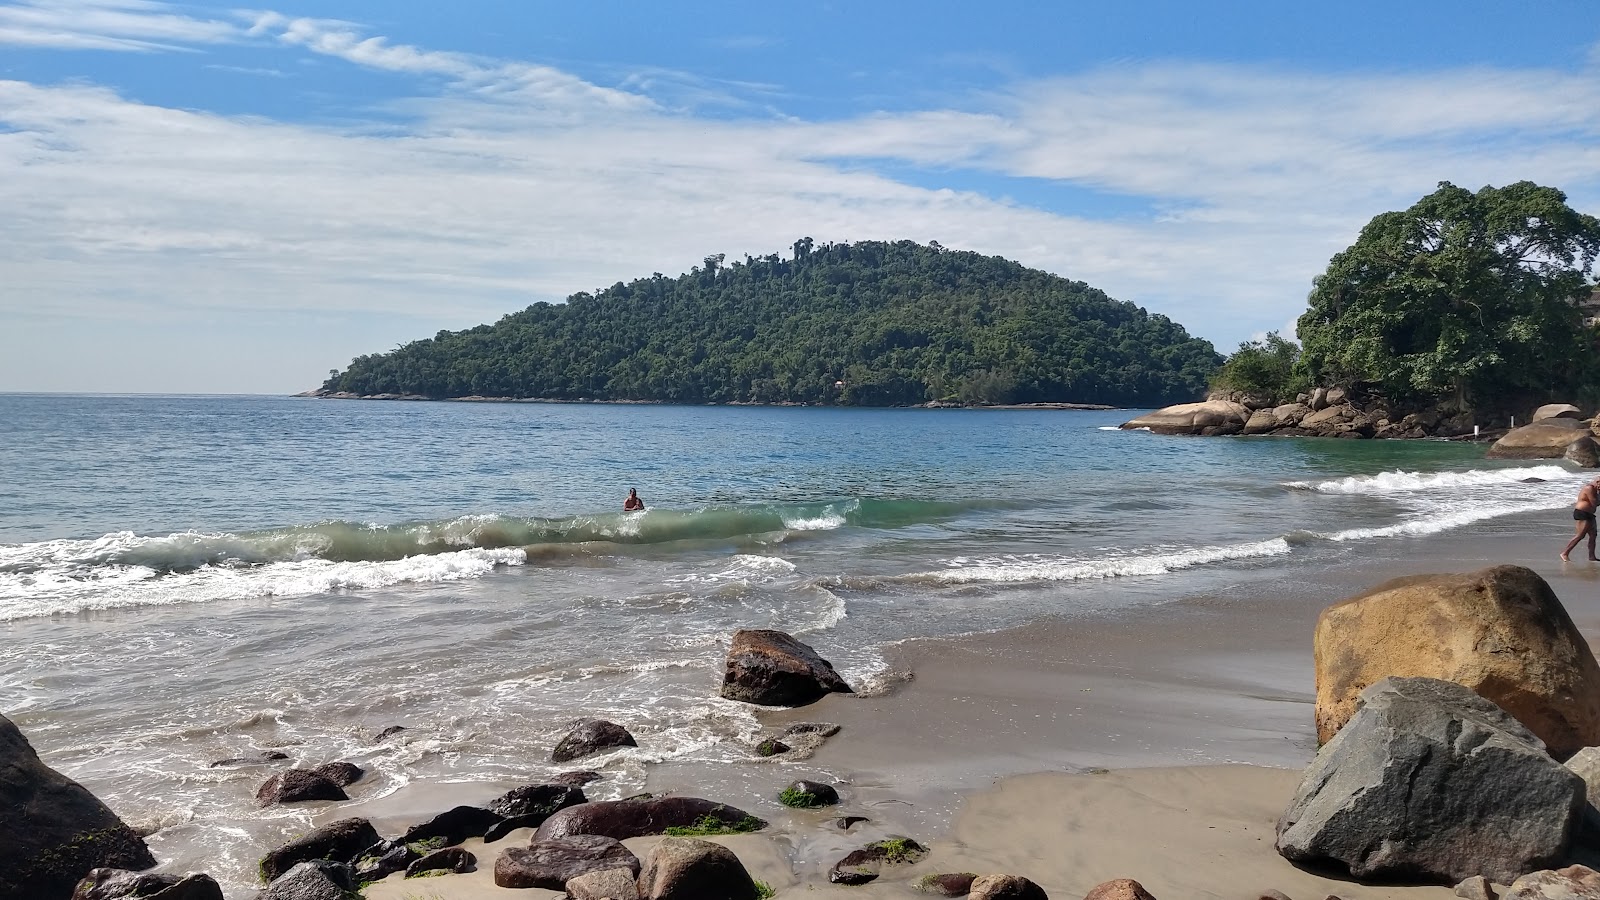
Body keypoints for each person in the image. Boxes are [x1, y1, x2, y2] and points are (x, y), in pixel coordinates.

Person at [1561, 478, 1600, 562]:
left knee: (1593, 536)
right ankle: (1564, 553)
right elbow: (1594, 503)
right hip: (1582, 513)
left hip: (1590, 514)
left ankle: (1592, 557)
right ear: (1597, 482)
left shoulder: (1596, 490)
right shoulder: (1589, 488)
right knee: (1580, 535)